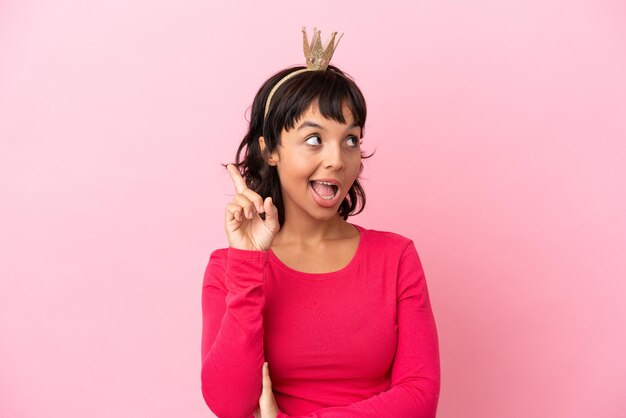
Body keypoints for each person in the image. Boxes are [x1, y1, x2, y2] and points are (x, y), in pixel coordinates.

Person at [201, 27, 440, 418]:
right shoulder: (228, 267)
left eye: (350, 140)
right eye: (314, 139)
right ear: (270, 150)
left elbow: (420, 398)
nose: (337, 159)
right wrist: (247, 264)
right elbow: (228, 404)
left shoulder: (396, 257)